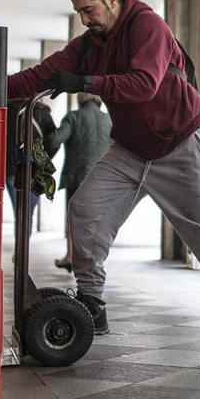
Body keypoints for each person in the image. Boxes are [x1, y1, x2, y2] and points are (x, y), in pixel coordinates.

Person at [7, 0, 200, 353]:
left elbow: (144, 84)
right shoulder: (91, 43)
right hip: (129, 149)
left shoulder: (148, 26)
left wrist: (86, 83)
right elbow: (42, 75)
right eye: (79, 13)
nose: (85, 19)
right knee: (86, 209)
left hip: (182, 142)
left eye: (89, 9)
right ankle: (92, 304)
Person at [54, 94, 112, 272]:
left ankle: (71, 256)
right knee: (97, 220)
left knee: (73, 218)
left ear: (80, 99)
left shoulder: (73, 117)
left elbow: (55, 139)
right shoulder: (108, 121)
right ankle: (94, 259)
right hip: (102, 177)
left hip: (77, 176)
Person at [7, 97, 66, 234]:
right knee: (27, 212)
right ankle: (22, 252)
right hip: (36, 170)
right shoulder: (42, 113)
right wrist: (43, 160)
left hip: (12, 169)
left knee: (20, 212)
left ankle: (20, 250)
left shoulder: (8, 111)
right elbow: (54, 142)